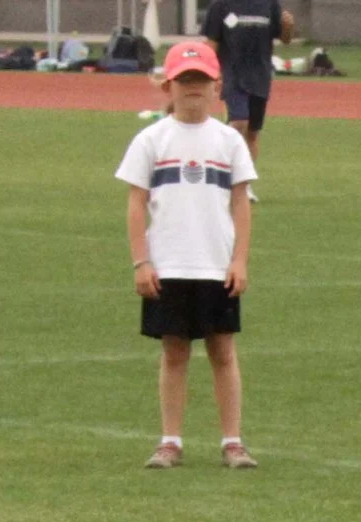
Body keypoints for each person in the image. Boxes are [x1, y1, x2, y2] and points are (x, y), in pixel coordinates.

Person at [119, 40, 257, 472]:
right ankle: (170, 441)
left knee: (223, 351)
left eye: (200, 81)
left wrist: (239, 261)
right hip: (169, 265)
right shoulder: (151, 140)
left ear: (217, 87)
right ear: (167, 87)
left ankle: (232, 441)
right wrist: (141, 261)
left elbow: (240, 203)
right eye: (184, 81)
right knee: (174, 353)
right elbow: (136, 204)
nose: (192, 88)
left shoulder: (230, 141)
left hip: (216, 265)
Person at [199, 0, 289, 165]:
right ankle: (221, 168)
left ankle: (244, 182)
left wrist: (288, 26)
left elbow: (285, 38)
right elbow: (211, 44)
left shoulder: (269, 4)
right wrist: (212, 73)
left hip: (260, 77)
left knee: (252, 133)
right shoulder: (221, 5)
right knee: (239, 123)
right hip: (233, 75)